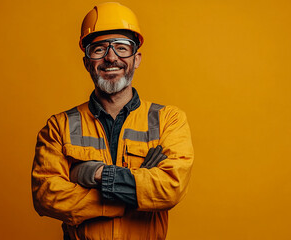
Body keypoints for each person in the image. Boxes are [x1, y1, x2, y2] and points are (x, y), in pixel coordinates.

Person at [32, 2, 194, 240]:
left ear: (136, 59)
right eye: (98, 49)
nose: (111, 57)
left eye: (122, 48)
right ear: (87, 61)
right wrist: (130, 198)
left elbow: (171, 187)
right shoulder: (59, 127)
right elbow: (46, 196)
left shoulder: (169, 120)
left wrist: (96, 174)